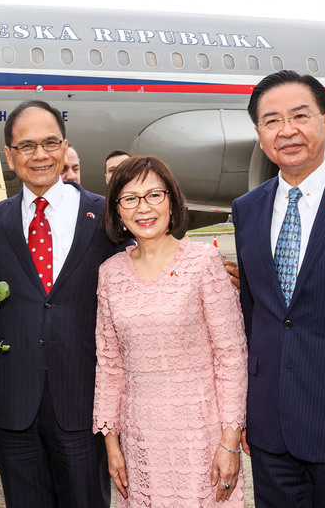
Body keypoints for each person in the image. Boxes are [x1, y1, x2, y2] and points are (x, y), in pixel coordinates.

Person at [232, 70, 325, 507]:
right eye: (272, 120)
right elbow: (254, 314)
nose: (288, 130)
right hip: (271, 432)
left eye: (300, 115)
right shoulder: (248, 209)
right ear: (260, 134)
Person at [0, 100, 124, 508]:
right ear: (9, 157)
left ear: (65, 148)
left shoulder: (106, 215)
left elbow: (148, 266)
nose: (39, 155)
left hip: (82, 400)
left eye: (49, 143)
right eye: (26, 146)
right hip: (12, 403)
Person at [95, 155, 248, 507]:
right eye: (130, 198)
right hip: (140, 442)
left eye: (154, 195)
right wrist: (112, 444)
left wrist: (229, 441)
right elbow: (109, 365)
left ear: (172, 200)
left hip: (201, 440)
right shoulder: (110, 273)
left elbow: (232, 358)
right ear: (118, 210)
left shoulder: (204, 263)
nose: (143, 208)